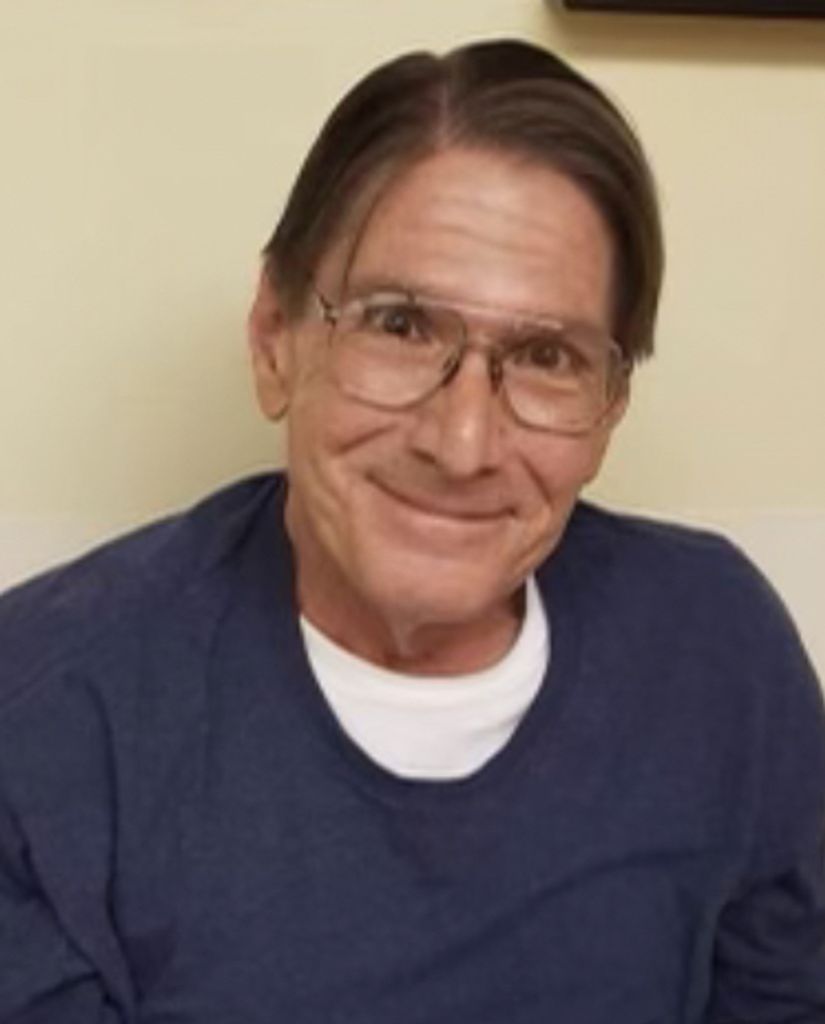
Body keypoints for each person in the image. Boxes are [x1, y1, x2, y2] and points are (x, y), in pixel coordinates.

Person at [1, 38, 823, 1024]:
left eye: (547, 356)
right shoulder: (42, 719)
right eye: (398, 326)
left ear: (609, 409)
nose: (462, 444)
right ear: (273, 340)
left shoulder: (718, 654)